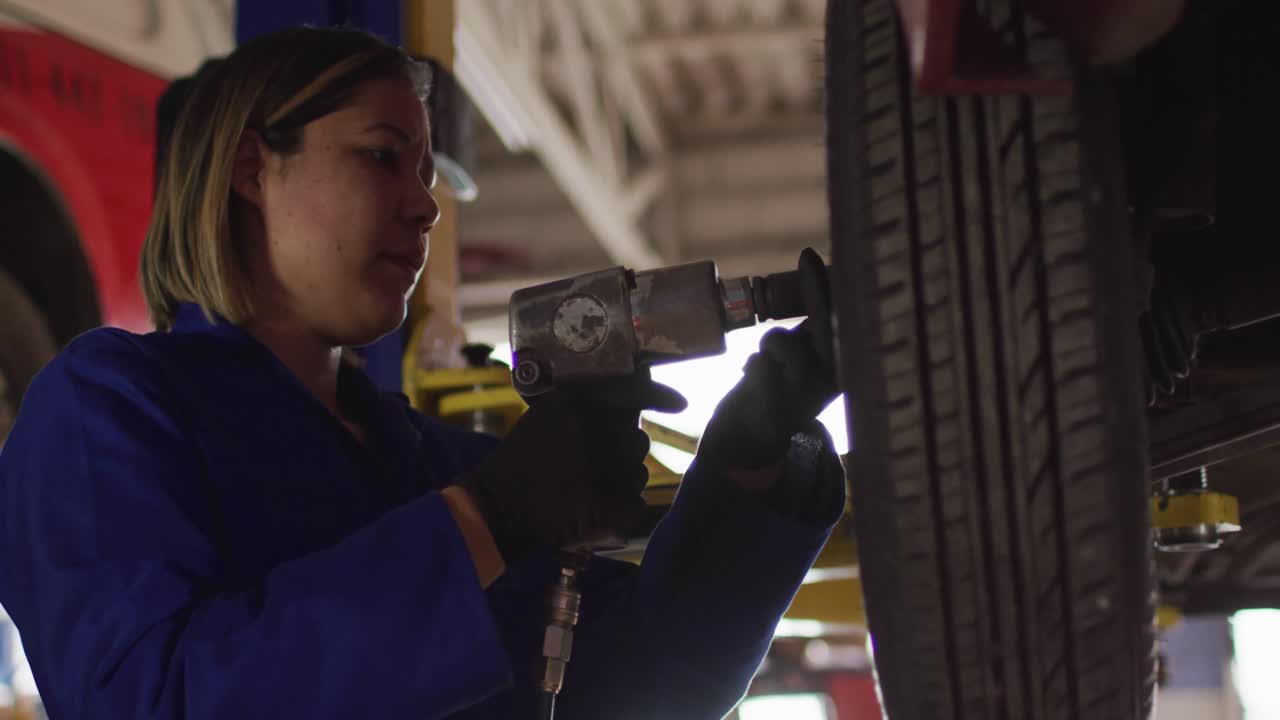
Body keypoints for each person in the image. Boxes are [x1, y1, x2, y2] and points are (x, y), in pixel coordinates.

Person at [0, 26, 846, 720]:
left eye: (426, 173)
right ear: (251, 169)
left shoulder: (432, 465)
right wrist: (484, 523)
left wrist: (751, 458)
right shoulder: (106, 408)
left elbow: (654, 681)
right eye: (381, 157)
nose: (426, 204)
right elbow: (155, 703)